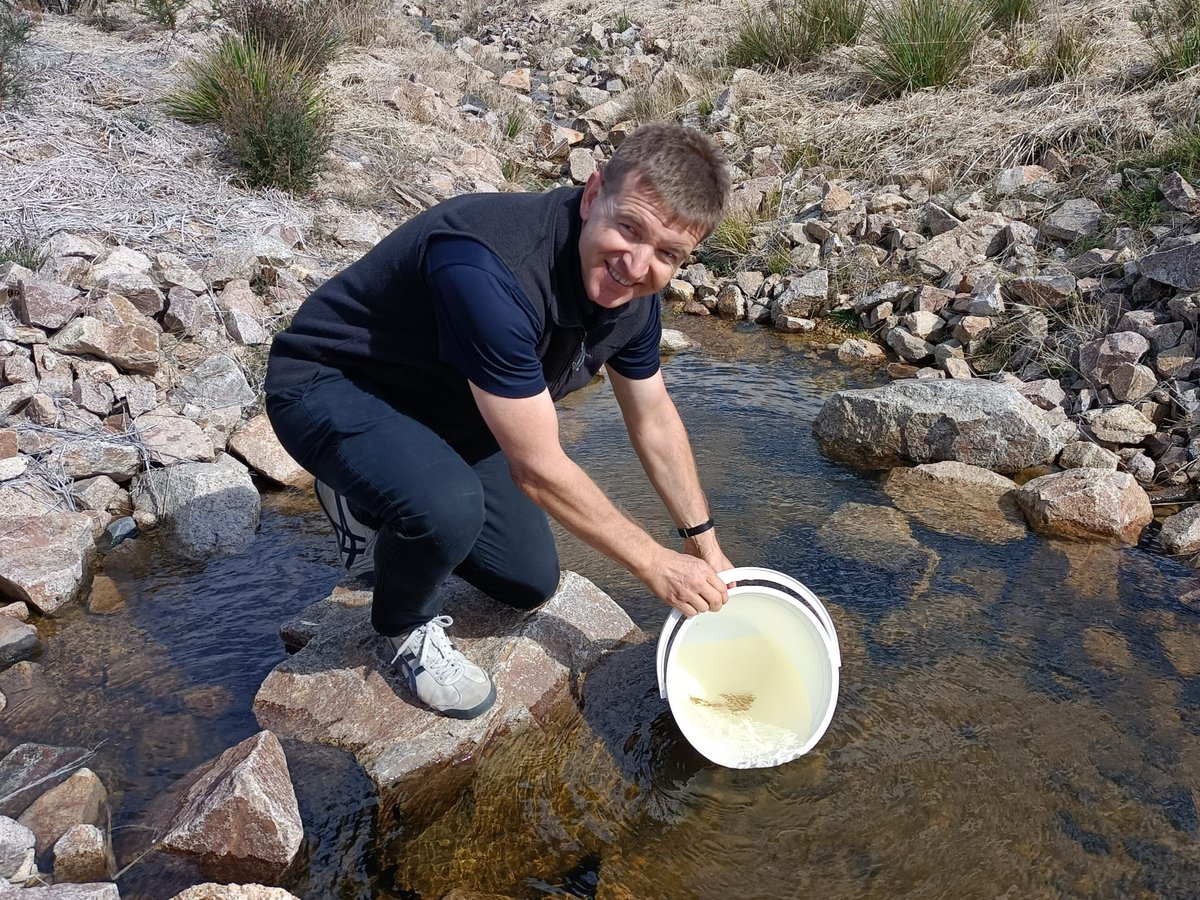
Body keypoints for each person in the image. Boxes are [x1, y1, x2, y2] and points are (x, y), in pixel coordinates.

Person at [264, 122, 735, 720]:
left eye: (668, 254)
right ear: (592, 196)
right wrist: (654, 563)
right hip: (331, 385)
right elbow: (537, 470)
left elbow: (655, 421)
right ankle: (402, 628)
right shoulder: (490, 265)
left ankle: (375, 496)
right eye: (629, 228)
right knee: (446, 507)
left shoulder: (633, 300)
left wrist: (706, 548)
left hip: (454, 408)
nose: (637, 266)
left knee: (528, 581)